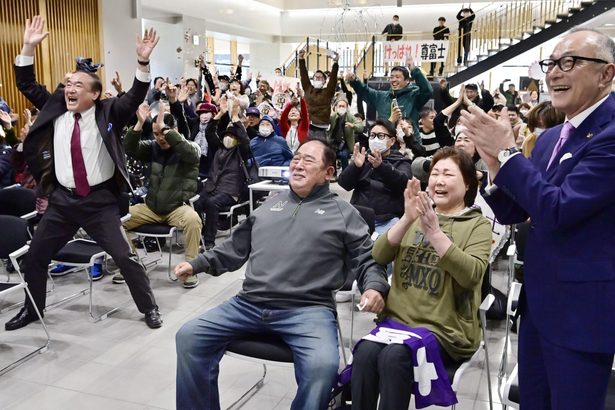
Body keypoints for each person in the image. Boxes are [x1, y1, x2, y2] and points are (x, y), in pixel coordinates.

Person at [459, 27, 615, 408]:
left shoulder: (610, 135)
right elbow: (520, 208)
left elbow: (556, 210)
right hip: (538, 307)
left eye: (570, 62)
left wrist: (509, 154)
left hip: (581, 315)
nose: (555, 73)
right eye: (551, 63)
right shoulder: (549, 137)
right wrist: (493, 162)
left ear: (606, 74)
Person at [174, 139, 389, 410]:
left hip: (308, 310)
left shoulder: (344, 213)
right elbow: (235, 247)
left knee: (322, 366)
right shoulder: (269, 205)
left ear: (329, 173)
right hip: (249, 304)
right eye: (296, 158)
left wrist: (374, 287)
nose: (298, 164)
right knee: (189, 336)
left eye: (308, 160)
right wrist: (198, 263)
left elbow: (367, 258)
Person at [5, 16, 163, 330]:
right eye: (68, 85)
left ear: (94, 94)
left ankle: (149, 308)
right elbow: (25, 83)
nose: (70, 89)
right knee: (35, 256)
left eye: (78, 85)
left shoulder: (110, 112)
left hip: (99, 202)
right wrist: (28, 46)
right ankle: (33, 309)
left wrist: (143, 61)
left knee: (125, 257)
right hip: (62, 201)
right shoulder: (57, 108)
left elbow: (134, 95)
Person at [350, 147, 491, 409]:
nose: (438, 180)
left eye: (448, 174)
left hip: (445, 330)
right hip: (398, 322)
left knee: (394, 357)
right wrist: (406, 218)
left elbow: (472, 276)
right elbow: (379, 255)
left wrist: (435, 233)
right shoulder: (417, 216)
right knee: (365, 352)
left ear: (468, 183)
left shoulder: (477, 225)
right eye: (435, 173)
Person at [122, 104, 202, 289]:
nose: (160, 138)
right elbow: (129, 147)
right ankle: (132, 265)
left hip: (177, 208)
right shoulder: (152, 147)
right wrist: (139, 124)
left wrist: (165, 129)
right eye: (156, 134)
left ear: (175, 130)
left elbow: (188, 152)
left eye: (163, 133)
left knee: (193, 220)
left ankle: (190, 268)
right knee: (117, 220)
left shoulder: (190, 148)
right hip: (151, 207)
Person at [193, 97, 250, 250]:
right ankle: (201, 234)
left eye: (231, 136)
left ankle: (209, 241)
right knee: (197, 204)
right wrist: (220, 114)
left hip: (230, 192)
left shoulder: (240, 152)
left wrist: (235, 117)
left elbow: (244, 140)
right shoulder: (219, 148)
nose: (227, 138)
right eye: (226, 135)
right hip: (212, 188)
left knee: (212, 204)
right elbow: (209, 132)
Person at [338, 119, 411, 235]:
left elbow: (403, 183)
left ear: (392, 141)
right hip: (358, 215)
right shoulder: (364, 159)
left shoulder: (401, 161)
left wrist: (381, 166)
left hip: (386, 220)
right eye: (372, 136)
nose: (375, 139)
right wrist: (355, 167)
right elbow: (344, 184)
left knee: (381, 248)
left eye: (380, 136)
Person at [346, 55, 432, 141]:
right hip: (385, 144)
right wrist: (354, 81)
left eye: (397, 77)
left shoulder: (414, 96)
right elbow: (365, 91)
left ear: (407, 81)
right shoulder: (381, 97)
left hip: (411, 145)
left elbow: (427, 90)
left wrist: (414, 70)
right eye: (391, 77)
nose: (393, 80)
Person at [298, 49, 339, 139]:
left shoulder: (327, 92)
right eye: (316, 77)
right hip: (306, 125)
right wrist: (301, 59)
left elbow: (333, 80)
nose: (317, 79)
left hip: (321, 128)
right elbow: (303, 75)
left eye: (320, 78)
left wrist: (335, 63)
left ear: (324, 81)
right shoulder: (308, 88)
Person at [326, 95, 363, 171]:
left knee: (344, 155)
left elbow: (360, 127)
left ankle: (345, 173)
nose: (341, 108)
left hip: (345, 144)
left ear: (346, 108)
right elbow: (324, 121)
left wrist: (353, 126)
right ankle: (333, 173)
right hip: (333, 142)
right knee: (331, 154)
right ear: (335, 107)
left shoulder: (350, 117)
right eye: (340, 106)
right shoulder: (332, 116)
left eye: (343, 106)